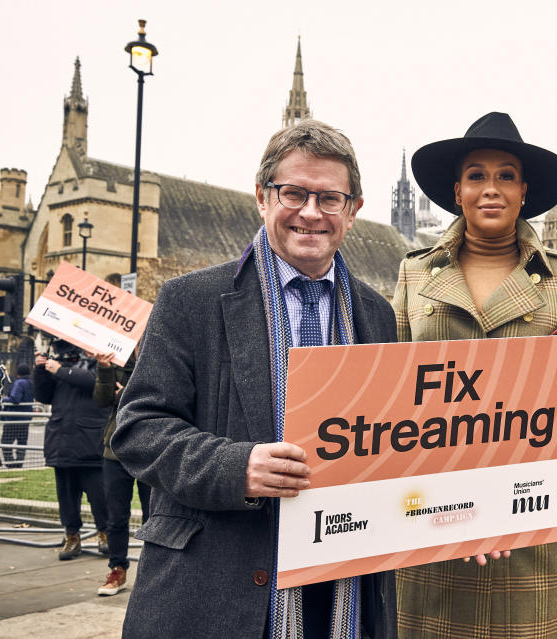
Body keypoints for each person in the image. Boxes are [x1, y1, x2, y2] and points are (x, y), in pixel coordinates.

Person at [112, 119, 398, 638]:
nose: (311, 212)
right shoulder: (190, 300)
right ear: (263, 198)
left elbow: (398, 442)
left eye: (330, 198)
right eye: (294, 193)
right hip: (219, 588)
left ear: (352, 211)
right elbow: (138, 429)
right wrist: (235, 466)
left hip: (340, 590)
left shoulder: (377, 315)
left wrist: (471, 512)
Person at [391, 112, 557, 638]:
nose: (489, 189)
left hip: (529, 522)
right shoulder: (412, 274)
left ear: (524, 192)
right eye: (476, 175)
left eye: (505, 176)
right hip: (434, 519)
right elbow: (389, 382)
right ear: (456, 191)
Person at [34, 341, 110, 560]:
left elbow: (94, 383)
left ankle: (105, 534)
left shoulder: (100, 361)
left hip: (91, 442)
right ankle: (72, 536)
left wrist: (61, 370)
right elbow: (44, 395)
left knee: (100, 496)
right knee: (66, 497)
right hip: (62, 441)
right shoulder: (59, 363)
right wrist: (40, 370)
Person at [93, 351, 149, 596]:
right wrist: (104, 368)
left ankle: (152, 572)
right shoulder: (115, 360)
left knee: (155, 517)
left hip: (151, 450)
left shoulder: (157, 354)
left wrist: (123, 394)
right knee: (116, 516)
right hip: (116, 451)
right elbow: (101, 400)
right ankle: (117, 568)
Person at [1, 363, 33, 468]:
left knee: (6, 441)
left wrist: (2, 399)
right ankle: (19, 463)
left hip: (13, 417)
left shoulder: (19, 383)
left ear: (18, 373)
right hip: (26, 417)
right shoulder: (31, 383)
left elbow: (15, 399)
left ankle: (10, 463)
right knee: (22, 441)